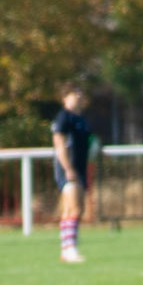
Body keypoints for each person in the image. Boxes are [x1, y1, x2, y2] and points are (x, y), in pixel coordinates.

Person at [51, 83, 91, 265]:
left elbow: (88, 142)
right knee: (74, 208)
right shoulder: (63, 117)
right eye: (75, 94)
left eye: (80, 94)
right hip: (68, 169)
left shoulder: (81, 119)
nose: (79, 97)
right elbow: (59, 145)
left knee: (75, 209)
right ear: (65, 98)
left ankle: (67, 249)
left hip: (79, 168)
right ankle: (70, 249)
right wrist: (67, 168)